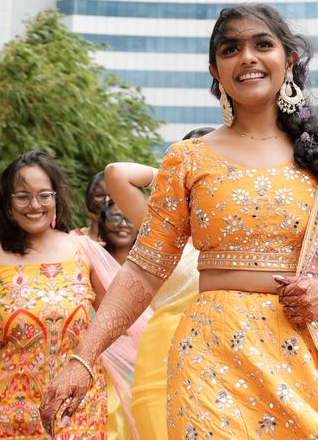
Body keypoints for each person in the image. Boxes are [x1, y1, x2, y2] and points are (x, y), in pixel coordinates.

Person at [41, 4, 318, 440]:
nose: (247, 57)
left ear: (289, 60)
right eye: (231, 49)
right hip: (211, 356)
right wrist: (83, 357)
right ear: (215, 70)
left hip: (312, 349)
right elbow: (144, 270)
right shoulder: (188, 158)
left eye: (263, 44)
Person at [0, 151, 148, 440]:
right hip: (1, 414)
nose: (34, 205)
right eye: (22, 196)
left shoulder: (84, 252)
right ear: (7, 204)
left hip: (77, 409)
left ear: (56, 199)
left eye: (44, 195)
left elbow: (119, 319)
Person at [104, 127, 211, 440]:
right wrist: (177, 173)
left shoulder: (238, 239)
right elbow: (116, 173)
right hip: (160, 364)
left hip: (221, 357)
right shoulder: (163, 229)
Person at [98, 199, 137, 266]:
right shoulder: (90, 256)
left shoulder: (149, 266)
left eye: (131, 219)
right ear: (103, 222)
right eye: (116, 218)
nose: (123, 224)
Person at [78, 172, 109, 241]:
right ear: (86, 201)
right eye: (100, 195)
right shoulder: (75, 240)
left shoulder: (132, 241)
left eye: (113, 195)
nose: (107, 200)